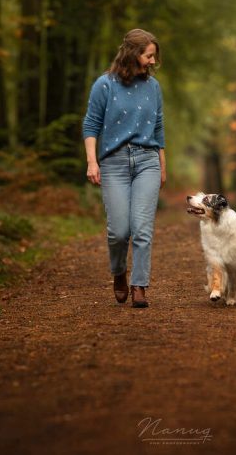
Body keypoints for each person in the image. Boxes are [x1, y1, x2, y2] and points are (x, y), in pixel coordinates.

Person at [82, 29, 167, 308]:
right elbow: (91, 125)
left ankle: (139, 285)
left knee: (142, 229)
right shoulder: (104, 85)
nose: (153, 61)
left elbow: (158, 129)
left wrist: (162, 167)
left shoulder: (153, 87)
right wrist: (92, 162)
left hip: (147, 162)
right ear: (133, 54)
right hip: (114, 163)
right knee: (118, 231)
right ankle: (119, 272)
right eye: (149, 55)